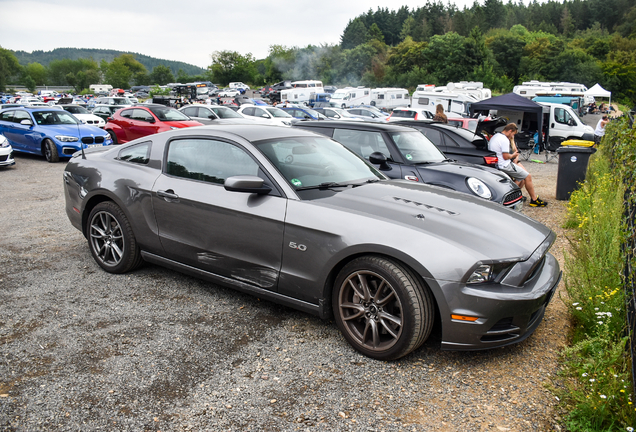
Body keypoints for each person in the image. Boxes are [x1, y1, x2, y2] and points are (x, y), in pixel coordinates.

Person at [489, 123, 547, 207]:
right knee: (527, 176)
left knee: (521, 177)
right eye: (513, 134)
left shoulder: (496, 136)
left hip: (498, 164)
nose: (512, 136)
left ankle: (516, 196)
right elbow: (506, 157)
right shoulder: (504, 140)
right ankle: (534, 200)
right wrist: (514, 155)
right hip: (504, 165)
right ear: (510, 131)